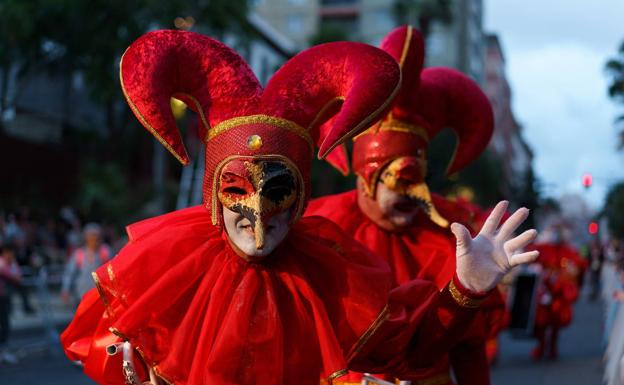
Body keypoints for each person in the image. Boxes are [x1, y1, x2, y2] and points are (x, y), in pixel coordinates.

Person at [61, 30, 537, 385]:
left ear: (302, 198)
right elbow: (103, 351)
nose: (257, 213)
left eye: (278, 192)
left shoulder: (333, 277)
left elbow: (412, 347)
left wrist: (465, 289)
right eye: (235, 188)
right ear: (211, 193)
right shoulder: (162, 270)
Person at [306, 25, 514, 384]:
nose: (410, 192)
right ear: (363, 174)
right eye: (396, 179)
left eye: (417, 177)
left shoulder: (451, 235)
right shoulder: (317, 228)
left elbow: (468, 349)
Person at [528, 223, 587, 360]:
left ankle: (552, 349)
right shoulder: (543, 248)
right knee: (541, 324)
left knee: (555, 324)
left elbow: (578, 267)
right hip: (543, 292)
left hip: (558, 295)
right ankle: (541, 348)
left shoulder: (569, 251)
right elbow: (531, 258)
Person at [61, 223, 111, 305]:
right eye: (92, 236)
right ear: (86, 238)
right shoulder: (79, 254)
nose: (95, 239)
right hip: (81, 296)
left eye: (97, 236)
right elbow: (69, 274)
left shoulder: (105, 251)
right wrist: (65, 290)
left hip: (101, 296)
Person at [0, 242, 22, 364]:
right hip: (2, 297)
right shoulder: (1, 263)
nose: (11, 254)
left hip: (5, 296)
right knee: (4, 325)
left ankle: (4, 352)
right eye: (9, 252)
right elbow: (14, 277)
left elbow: (18, 275)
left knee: (5, 325)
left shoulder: (11, 263)